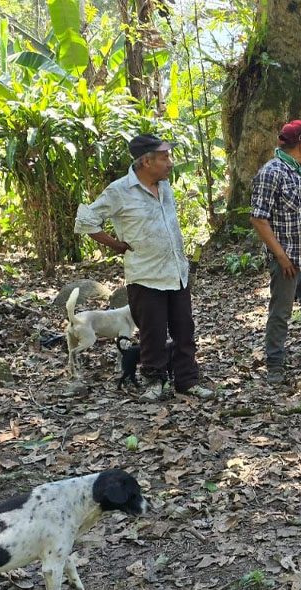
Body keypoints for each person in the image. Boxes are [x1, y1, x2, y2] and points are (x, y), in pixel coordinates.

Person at [74, 133, 214, 401]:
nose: (170, 163)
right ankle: (154, 382)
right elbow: (86, 221)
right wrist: (115, 245)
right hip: (145, 275)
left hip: (176, 271)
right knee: (153, 333)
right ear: (146, 162)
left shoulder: (165, 186)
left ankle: (187, 381)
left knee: (184, 331)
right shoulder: (119, 191)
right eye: (164, 157)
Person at [250, 120, 301, 384]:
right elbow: (259, 218)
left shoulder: (297, 172)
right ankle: (275, 365)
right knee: (281, 313)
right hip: (288, 259)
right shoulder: (271, 172)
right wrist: (281, 256)